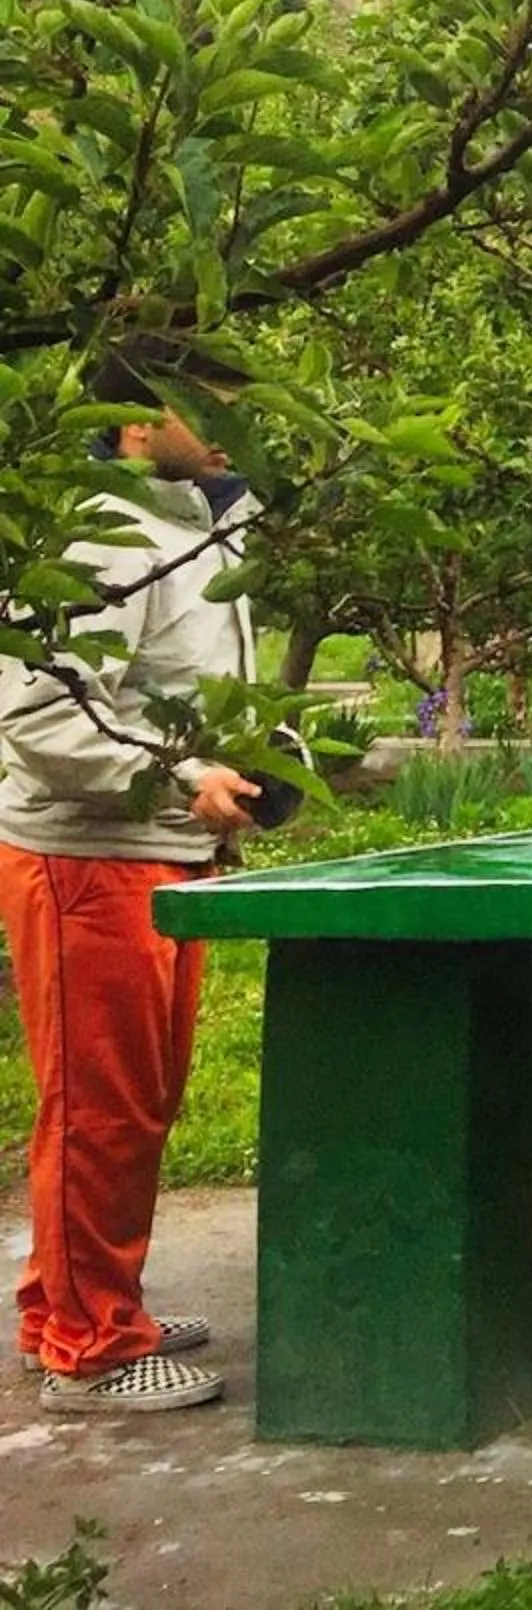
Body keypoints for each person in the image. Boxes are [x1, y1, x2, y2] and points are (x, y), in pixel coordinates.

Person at [2, 355, 269, 1413]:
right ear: (133, 419)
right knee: (99, 1110)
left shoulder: (201, 519)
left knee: (135, 1101)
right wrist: (175, 773)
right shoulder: (98, 534)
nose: (228, 426)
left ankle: (71, 1305)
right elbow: (38, 713)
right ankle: (89, 1347)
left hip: (156, 846)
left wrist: (242, 764)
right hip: (87, 853)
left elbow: (173, 688)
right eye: (205, 404)